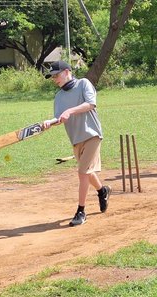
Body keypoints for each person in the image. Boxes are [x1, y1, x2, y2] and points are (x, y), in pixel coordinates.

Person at [43, 60, 111, 226]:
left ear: (67, 72)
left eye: (56, 75)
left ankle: (81, 211)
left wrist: (70, 111)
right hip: (76, 138)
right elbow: (60, 118)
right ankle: (103, 191)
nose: (54, 79)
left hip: (92, 134)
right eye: (52, 77)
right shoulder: (59, 96)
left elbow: (90, 104)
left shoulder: (83, 84)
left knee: (82, 172)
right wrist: (49, 123)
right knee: (87, 172)